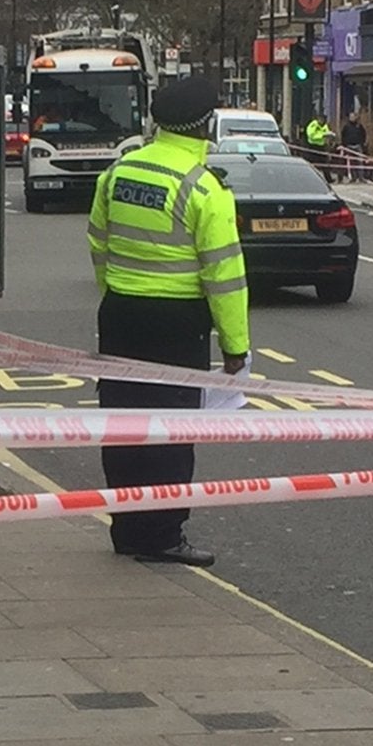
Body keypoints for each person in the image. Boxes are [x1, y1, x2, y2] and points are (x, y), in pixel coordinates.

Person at [87, 74, 249, 566]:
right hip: (177, 325)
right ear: (206, 126)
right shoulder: (204, 189)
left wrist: (116, 293)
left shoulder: (120, 172)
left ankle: (127, 529)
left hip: (120, 314)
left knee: (123, 427)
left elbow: (99, 241)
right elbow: (225, 276)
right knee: (171, 435)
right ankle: (162, 535)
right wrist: (234, 346)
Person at [338, 107, 369, 182]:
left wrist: (362, 143)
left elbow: (363, 134)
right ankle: (353, 177)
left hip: (358, 146)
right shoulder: (346, 126)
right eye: (351, 117)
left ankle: (361, 177)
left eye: (353, 116)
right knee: (351, 163)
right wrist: (344, 145)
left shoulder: (359, 126)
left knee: (360, 162)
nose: (352, 118)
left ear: (356, 117)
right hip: (349, 146)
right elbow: (343, 135)